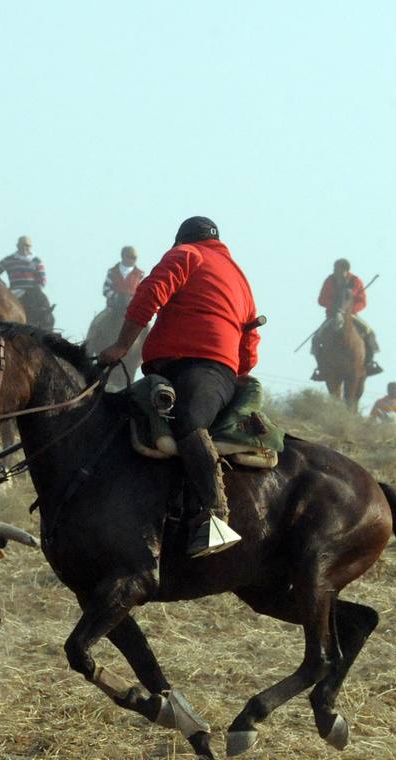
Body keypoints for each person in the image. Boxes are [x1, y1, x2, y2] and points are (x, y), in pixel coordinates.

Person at [98, 216, 259, 557]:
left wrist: (121, 347)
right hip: (209, 371)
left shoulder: (186, 255)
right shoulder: (239, 276)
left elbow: (149, 295)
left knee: (188, 422)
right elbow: (250, 339)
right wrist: (236, 373)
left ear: (181, 240)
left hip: (200, 368)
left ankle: (216, 517)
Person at [311, 258, 382, 378]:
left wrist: (350, 310)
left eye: (337, 269)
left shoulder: (356, 281)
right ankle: (320, 368)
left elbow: (362, 301)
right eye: (334, 269)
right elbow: (322, 299)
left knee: (370, 333)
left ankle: (370, 363)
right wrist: (333, 307)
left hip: (351, 315)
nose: (334, 271)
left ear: (345, 270)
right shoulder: (329, 281)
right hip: (333, 315)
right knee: (316, 338)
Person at [102, 246, 144, 311]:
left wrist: (130, 299)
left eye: (135, 258)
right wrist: (118, 297)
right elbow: (105, 290)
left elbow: (142, 293)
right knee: (99, 320)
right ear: (123, 256)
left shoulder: (140, 274)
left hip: (132, 310)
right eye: (131, 257)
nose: (133, 260)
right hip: (112, 309)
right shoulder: (112, 272)